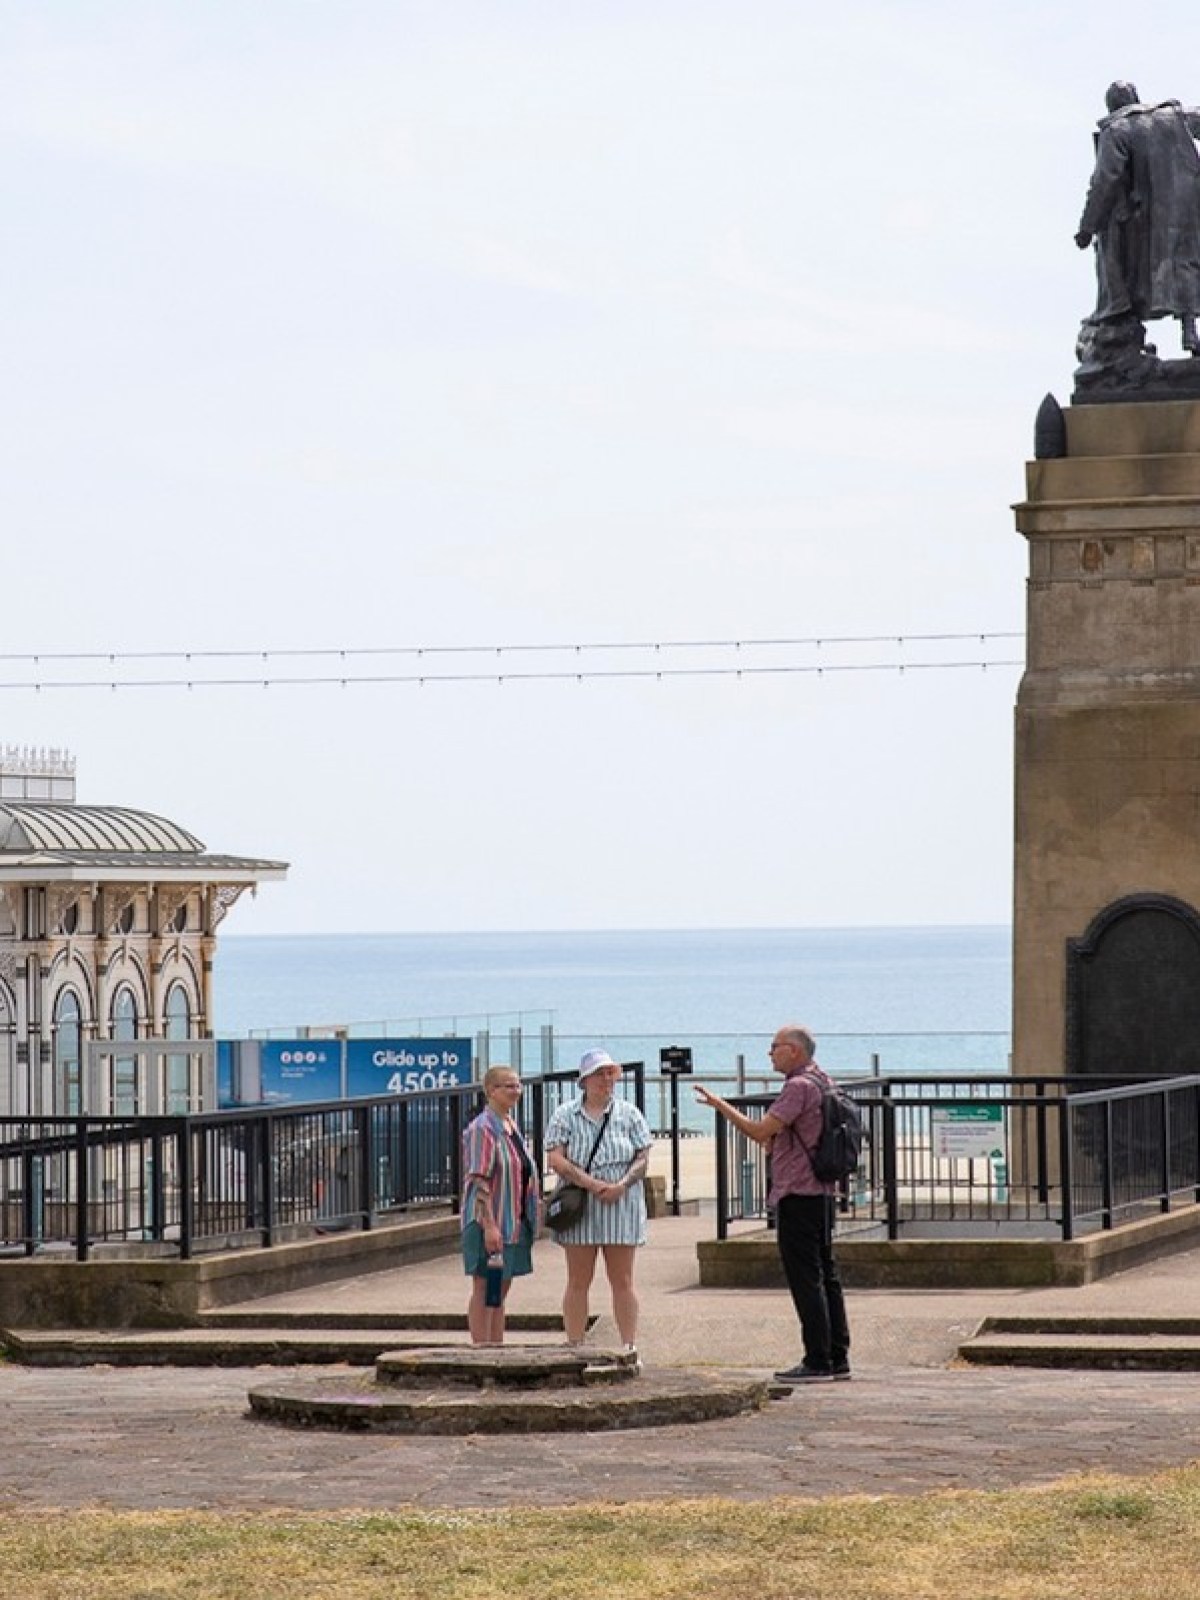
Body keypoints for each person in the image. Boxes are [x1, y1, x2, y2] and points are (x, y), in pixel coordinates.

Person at [695, 1024, 851, 1384]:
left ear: (794, 1051)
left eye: (775, 1047)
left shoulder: (797, 1087)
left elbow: (760, 1130)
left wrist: (722, 1107)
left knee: (806, 1278)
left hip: (798, 1192)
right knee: (827, 1275)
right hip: (823, 1190)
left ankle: (817, 1360)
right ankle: (837, 1355)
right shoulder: (823, 1080)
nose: (770, 1053)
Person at [1076, 81, 1200, 356]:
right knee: (1185, 265)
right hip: (1187, 208)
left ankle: (1121, 328)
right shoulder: (1174, 115)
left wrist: (1087, 227)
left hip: (1143, 219)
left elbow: (1106, 180)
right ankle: (1190, 332)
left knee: (1125, 271)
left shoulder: (1117, 129)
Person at [543, 1048, 652, 1356]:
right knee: (578, 1278)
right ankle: (575, 1343)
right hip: (581, 1207)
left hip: (621, 1205)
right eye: (601, 1074)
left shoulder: (629, 1113)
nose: (607, 1080)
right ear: (585, 1080)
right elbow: (555, 1158)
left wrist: (621, 1184)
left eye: (611, 1074)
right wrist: (590, 1184)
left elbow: (642, 1157)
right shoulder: (565, 1114)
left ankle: (628, 1344)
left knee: (623, 1279)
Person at [460, 1064, 540, 1346]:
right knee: (484, 1286)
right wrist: (489, 1226)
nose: (515, 1091)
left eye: (517, 1085)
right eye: (508, 1086)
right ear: (491, 1091)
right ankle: (481, 1348)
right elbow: (478, 1180)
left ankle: (496, 1345)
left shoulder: (511, 1126)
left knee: (501, 1288)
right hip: (489, 1222)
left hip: (514, 1222)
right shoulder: (483, 1128)